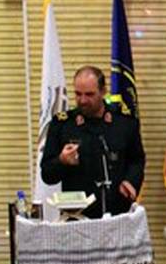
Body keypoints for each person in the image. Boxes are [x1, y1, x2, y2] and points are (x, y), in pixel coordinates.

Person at [40, 65, 144, 219]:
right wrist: (61, 161)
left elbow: (136, 160)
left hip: (117, 213)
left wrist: (131, 181)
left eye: (89, 94)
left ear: (103, 91)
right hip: (77, 217)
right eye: (78, 94)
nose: (83, 100)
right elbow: (47, 174)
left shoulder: (123, 122)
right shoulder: (62, 124)